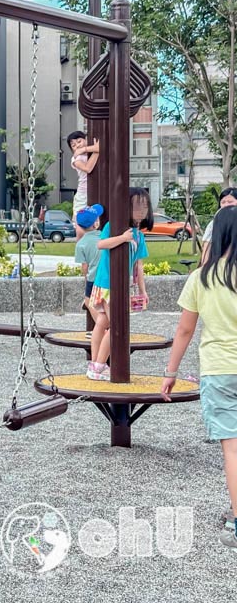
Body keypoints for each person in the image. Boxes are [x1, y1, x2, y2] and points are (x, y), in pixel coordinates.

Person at [162, 206, 237, 549]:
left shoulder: (201, 278)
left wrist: (171, 374)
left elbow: (184, 330)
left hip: (219, 369)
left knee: (232, 450)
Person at [87, 187, 153, 381]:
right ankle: (98, 365)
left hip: (117, 285)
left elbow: (138, 265)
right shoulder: (115, 226)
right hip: (107, 283)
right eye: (137, 205)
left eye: (145, 205)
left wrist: (142, 290)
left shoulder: (139, 235)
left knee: (103, 322)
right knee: (115, 323)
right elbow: (101, 244)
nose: (142, 210)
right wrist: (123, 238)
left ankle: (95, 364)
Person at [74, 205, 104, 329]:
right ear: (95, 223)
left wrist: (86, 278)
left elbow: (84, 266)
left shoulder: (80, 244)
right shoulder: (104, 237)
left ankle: (101, 325)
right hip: (106, 276)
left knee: (88, 301)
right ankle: (104, 325)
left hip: (92, 278)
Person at [66, 131, 99, 239]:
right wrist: (94, 151)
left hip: (96, 191)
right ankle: (80, 247)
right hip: (83, 193)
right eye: (73, 145)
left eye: (79, 141)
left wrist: (85, 149)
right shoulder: (76, 159)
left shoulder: (87, 151)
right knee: (80, 223)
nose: (77, 146)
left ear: (86, 140)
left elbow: (100, 147)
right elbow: (87, 168)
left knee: (96, 221)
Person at [200, 187, 237, 266]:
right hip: (219, 267)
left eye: (230, 202)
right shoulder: (213, 224)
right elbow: (207, 247)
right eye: (223, 202)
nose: (226, 205)